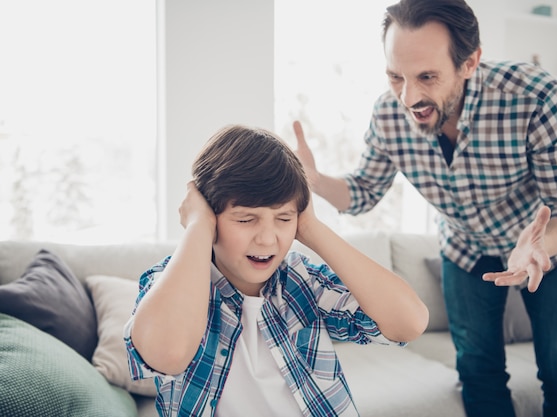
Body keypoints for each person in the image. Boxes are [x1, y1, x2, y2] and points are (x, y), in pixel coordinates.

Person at [292, 0, 557, 416]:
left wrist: (539, 245)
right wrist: (316, 182)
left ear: (470, 63)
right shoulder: (388, 117)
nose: (409, 97)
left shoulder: (533, 97)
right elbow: (362, 192)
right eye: (396, 76)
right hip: (465, 252)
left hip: (546, 249)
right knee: (478, 373)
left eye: (427, 77)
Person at [124, 124, 429, 417]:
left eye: (283, 219)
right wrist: (197, 227)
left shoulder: (301, 280)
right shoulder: (168, 283)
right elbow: (168, 354)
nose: (268, 239)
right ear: (209, 214)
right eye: (245, 220)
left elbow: (410, 322)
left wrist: (311, 227)